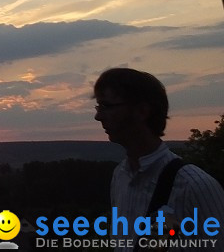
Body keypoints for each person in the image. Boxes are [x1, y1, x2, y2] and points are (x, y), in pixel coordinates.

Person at [93, 68, 224, 238]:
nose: (98, 116)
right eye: (98, 106)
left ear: (142, 111)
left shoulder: (195, 187)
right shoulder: (120, 177)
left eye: (106, 106)